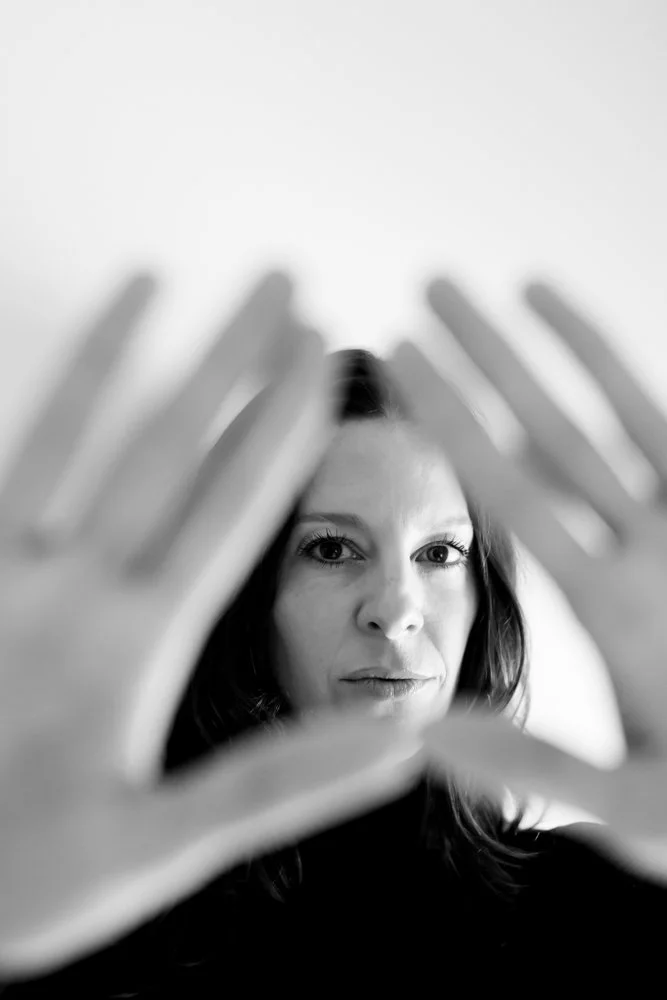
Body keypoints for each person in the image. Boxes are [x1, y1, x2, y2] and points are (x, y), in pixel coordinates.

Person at [1, 272, 666, 997]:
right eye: (329, 549)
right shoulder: (73, 896)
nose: (395, 608)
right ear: (244, 594)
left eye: (439, 553)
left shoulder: (598, 904)